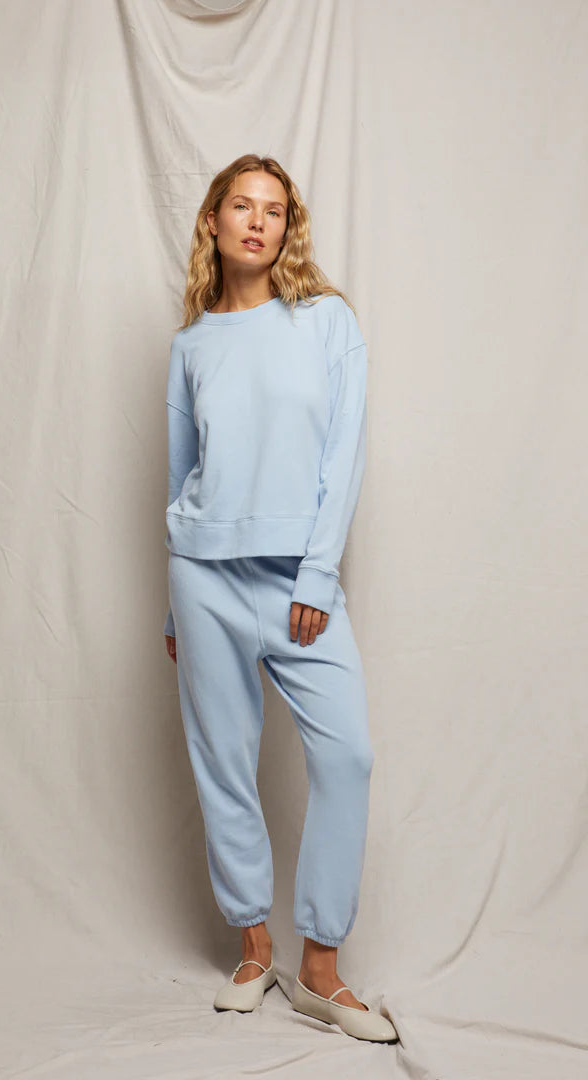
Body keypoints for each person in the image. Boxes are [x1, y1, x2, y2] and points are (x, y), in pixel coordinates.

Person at [162, 153, 397, 1043]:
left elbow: (344, 455)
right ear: (213, 222)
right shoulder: (190, 345)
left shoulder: (328, 321)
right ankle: (254, 947)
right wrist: (174, 607)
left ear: (287, 227)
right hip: (203, 578)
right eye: (241, 205)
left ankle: (321, 967)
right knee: (223, 761)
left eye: (273, 209)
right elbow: (180, 474)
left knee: (348, 756)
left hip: (299, 579)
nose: (257, 220)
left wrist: (317, 573)